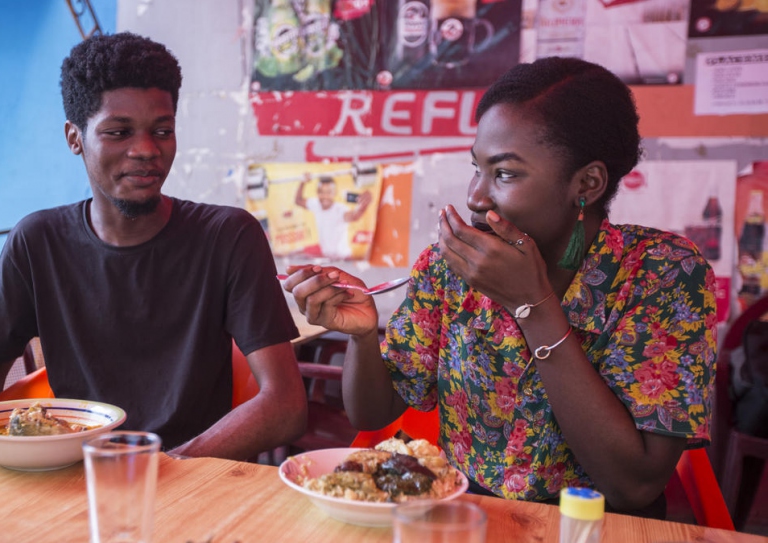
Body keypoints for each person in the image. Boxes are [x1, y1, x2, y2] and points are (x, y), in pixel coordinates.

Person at [282, 57, 716, 518]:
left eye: (504, 174)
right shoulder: (452, 268)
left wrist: (533, 306)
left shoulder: (663, 274)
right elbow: (372, 415)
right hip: (466, 520)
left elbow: (635, 486)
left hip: (598, 528)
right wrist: (365, 336)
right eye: (477, 168)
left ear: (586, 183)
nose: (475, 196)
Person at [0, 32, 308, 461]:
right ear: (74, 137)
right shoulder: (37, 242)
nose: (146, 150)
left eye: (162, 130)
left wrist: (165, 469)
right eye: (119, 132)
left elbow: (285, 406)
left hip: (195, 485)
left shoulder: (228, 236)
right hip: (70, 477)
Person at [295, 174, 373, 258]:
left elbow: (354, 216)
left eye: (329, 192)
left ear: (334, 193)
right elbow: (298, 200)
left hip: (343, 257)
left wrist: (363, 205)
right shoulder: (315, 204)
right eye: (321, 192)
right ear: (317, 192)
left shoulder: (340, 209)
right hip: (327, 256)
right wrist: (302, 182)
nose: (325, 196)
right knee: (295, 253)